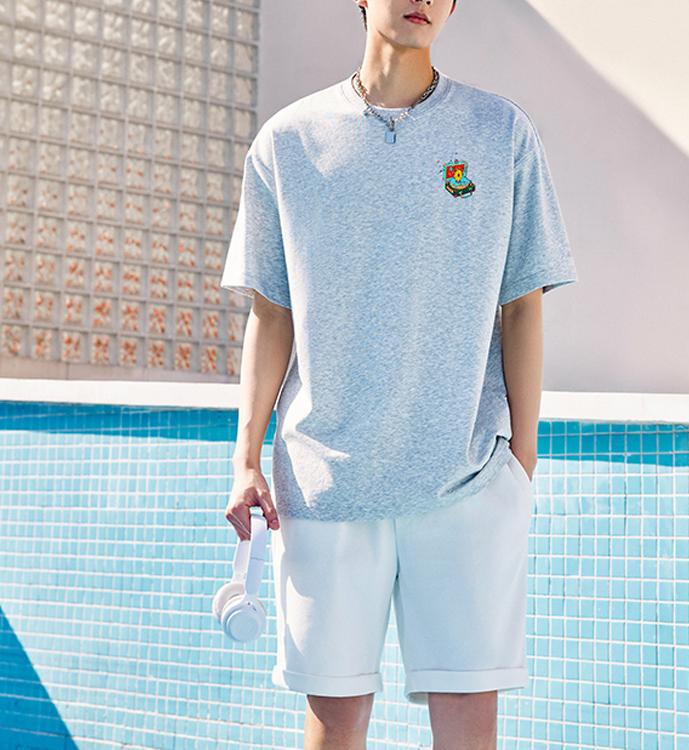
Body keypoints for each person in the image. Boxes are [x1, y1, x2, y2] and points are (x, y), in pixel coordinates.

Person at [220, 0, 578, 747]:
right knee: (335, 719)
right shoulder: (288, 140)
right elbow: (271, 314)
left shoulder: (500, 132)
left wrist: (521, 459)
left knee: (468, 720)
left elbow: (522, 305)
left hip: (466, 481)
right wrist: (246, 459)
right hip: (325, 482)